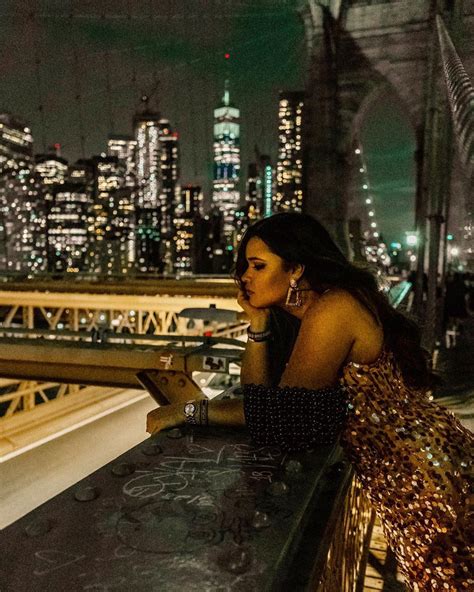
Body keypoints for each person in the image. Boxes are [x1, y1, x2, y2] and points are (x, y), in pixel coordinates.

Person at [147, 213, 473, 591]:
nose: (244, 277)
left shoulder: (333, 311)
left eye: (258, 266)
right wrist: (257, 324)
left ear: (296, 269)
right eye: (243, 267)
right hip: (415, 480)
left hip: (431, 484)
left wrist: (191, 410)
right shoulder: (316, 314)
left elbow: (284, 416)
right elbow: (261, 399)